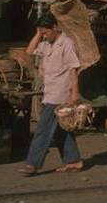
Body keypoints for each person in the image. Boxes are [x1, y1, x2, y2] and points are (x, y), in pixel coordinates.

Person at [17, 13, 83, 176]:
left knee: (43, 129)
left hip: (60, 94)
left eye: (46, 32)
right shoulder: (47, 44)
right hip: (50, 92)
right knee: (61, 129)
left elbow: (73, 69)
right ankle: (74, 161)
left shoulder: (66, 43)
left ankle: (32, 163)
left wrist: (75, 93)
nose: (44, 36)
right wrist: (38, 34)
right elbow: (30, 51)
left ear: (55, 28)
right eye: (42, 33)